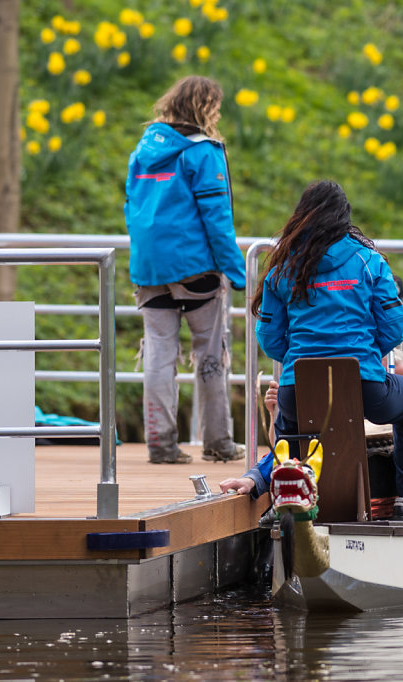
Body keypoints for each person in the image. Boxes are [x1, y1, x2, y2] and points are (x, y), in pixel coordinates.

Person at [243, 179, 403, 524]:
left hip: (297, 387)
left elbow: (270, 337)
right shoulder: (369, 262)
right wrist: (364, 357)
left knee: (289, 425)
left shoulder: (282, 268)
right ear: (344, 218)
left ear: (301, 216)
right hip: (365, 388)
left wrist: (295, 358)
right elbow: (393, 325)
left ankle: (282, 501)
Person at [125, 75, 246, 464]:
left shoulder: (142, 150)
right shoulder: (203, 152)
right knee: (210, 354)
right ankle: (218, 442)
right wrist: (238, 272)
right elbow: (217, 218)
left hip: (150, 268)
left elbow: (131, 207)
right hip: (197, 269)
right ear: (206, 107)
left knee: (159, 354)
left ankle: (160, 445)